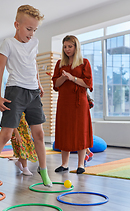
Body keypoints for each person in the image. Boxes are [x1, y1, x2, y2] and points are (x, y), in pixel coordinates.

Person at [0, 4, 52, 200]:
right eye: (29, 29)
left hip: (33, 92)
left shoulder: (34, 42)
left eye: (34, 30)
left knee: (39, 133)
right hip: (15, 91)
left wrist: (38, 84)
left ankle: (43, 171)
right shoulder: (8, 43)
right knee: (6, 135)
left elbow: (33, 64)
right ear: (16, 25)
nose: (31, 33)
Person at [51, 35, 93, 174]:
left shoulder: (84, 63)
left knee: (81, 131)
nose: (67, 49)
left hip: (79, 102)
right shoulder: (59, 64)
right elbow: (55, 84)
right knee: (64, 130)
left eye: (70, 46)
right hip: (64, 102)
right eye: (65, 47)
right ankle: (64, 164)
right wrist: (63, 77)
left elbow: (87, 83)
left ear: (76, 47)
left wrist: (73, 78)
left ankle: (81, 164)